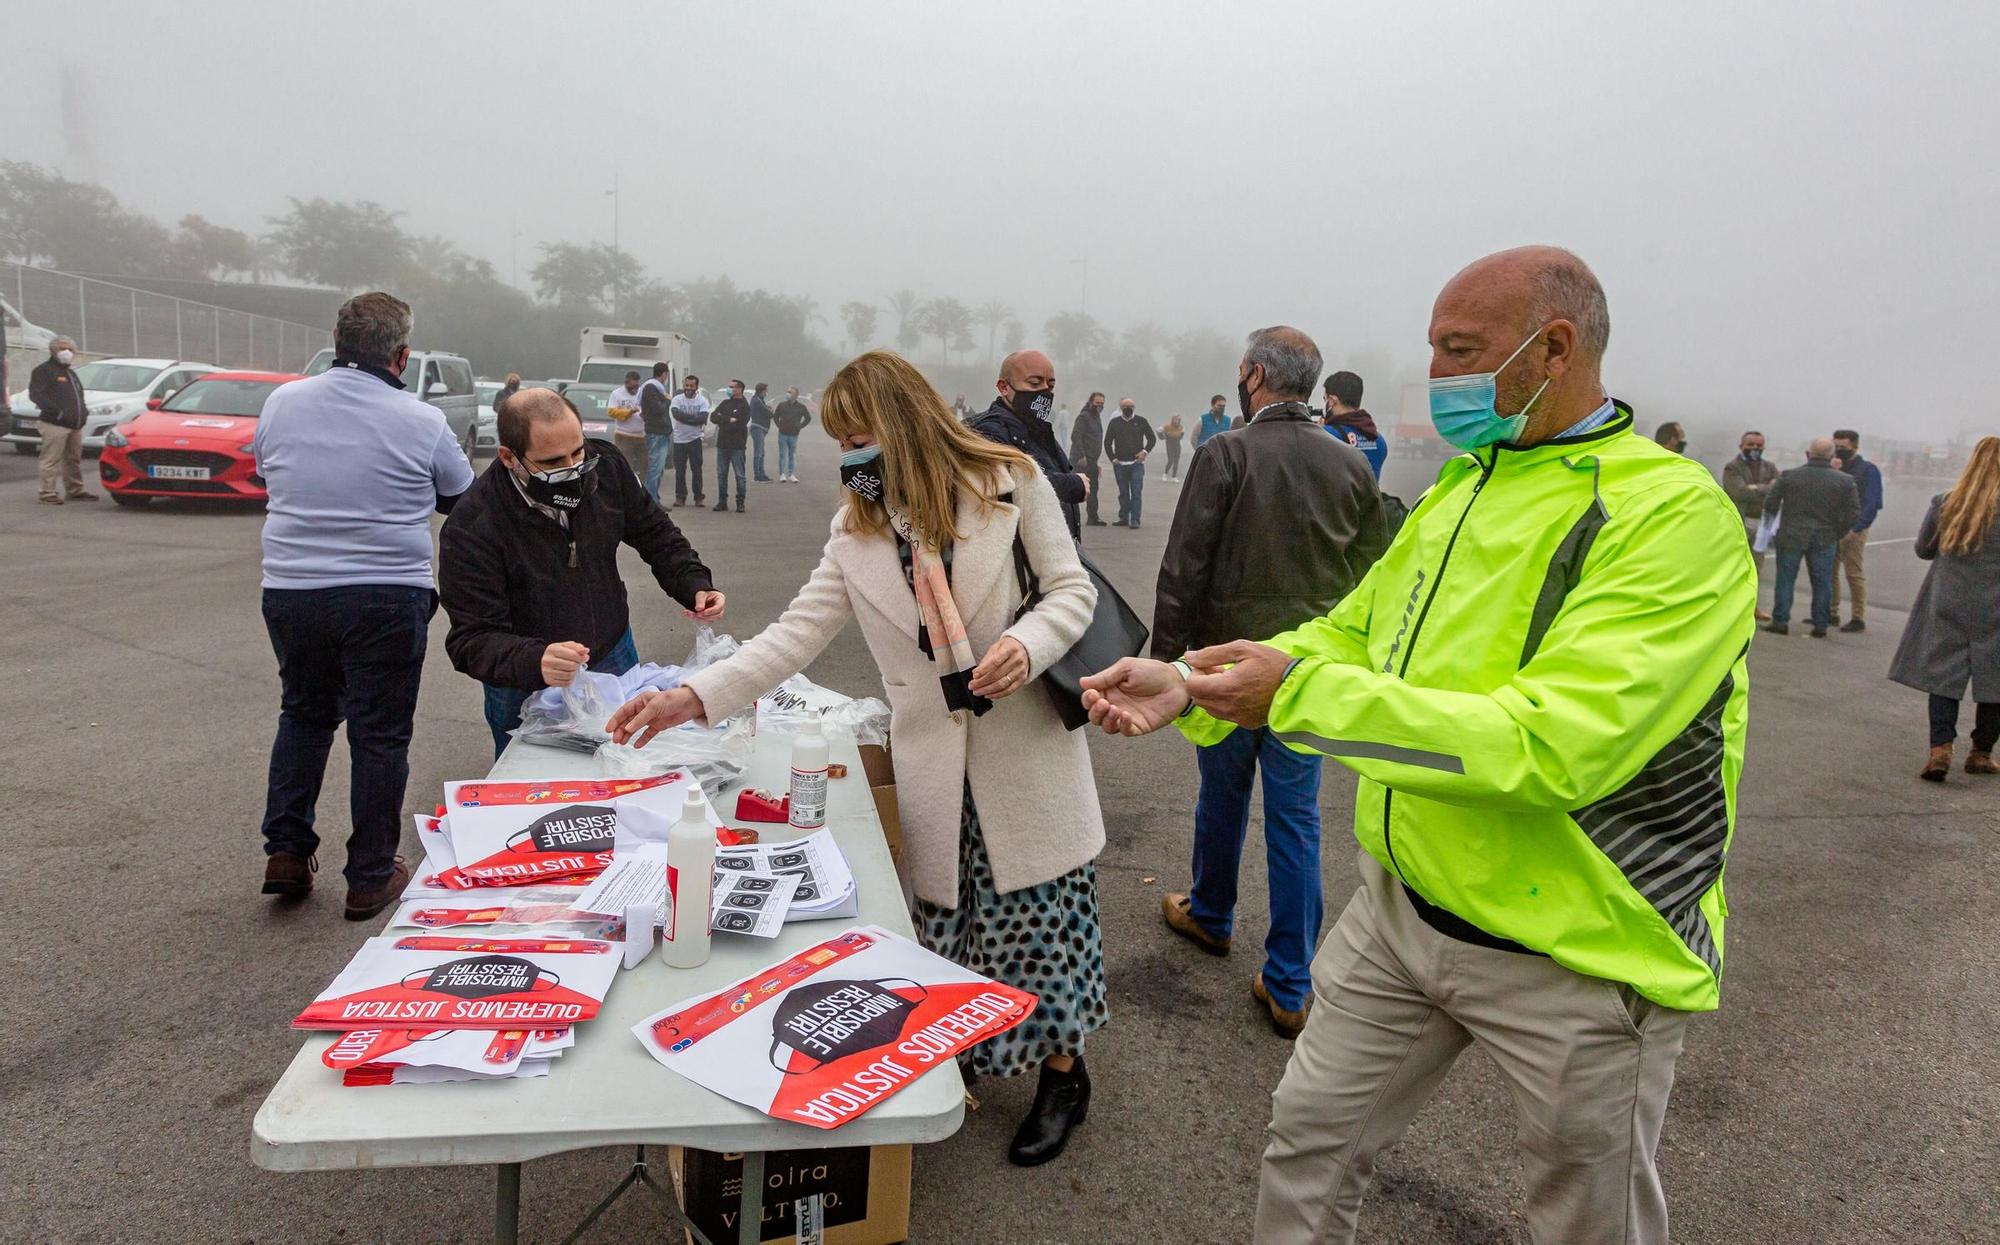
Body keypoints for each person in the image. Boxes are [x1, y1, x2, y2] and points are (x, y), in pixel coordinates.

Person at [1081, 247, 1754, 1245]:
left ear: (1554, 348)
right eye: (1433, 349)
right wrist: (1190, 682)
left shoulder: (1667, 515)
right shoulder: (1461, 487)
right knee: (1305, 1144)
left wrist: (1296, 694)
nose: (1437, 375)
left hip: (1576, 950)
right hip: (1404, 916)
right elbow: (1352, 632)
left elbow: (1552, 745)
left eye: (1460, 350)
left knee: (1583, 1220)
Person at [605, 350, 1107, 1167]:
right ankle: (967, 1055)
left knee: (1043, 919)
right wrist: (692, 697)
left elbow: (1071, 588)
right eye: (841, 441)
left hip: (1022, 750)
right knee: (949, 924)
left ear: (905, 422)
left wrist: (1025, 640)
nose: (849, 457)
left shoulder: (1010, 480)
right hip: (934, 761)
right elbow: (794, 634)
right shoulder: (858, 527)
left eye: (861, 435)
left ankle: (1062, 1072)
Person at [1151, 326, 1390, 1039]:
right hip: (1305, 672)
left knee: (1220, 798)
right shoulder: (1350, 463)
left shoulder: (1226, 452)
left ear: (1254, 374)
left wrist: (1168, 665)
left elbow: (1184, 565)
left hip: (1228, 667)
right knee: (1296, 818)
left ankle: (1212, 913)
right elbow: (1373, 572)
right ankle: (1290, 982)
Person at [252, 291, 476, 918]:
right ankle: (371, 873)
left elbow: (267, 472)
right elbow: (462, 501)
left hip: (292, 589)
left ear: (337, 339)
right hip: (386, 592)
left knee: (303, 714)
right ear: (402, 355)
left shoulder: (283, 402)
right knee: (380, 734)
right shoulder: (421, 420)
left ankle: (287, 853)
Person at [439, 388, 724, 756]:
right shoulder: (473, 525)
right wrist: (534, 659)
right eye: (553, 462)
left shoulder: (605, 465)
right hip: (525, 682)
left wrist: (694, 582)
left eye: (578, 451)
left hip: (612, 650)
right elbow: (470, 640)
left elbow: (654, 532)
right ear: (509, 458)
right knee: (532, 789)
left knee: (626, 766)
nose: (573, 468)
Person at [1889, 436, 2000, 781]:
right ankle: (1981, 753)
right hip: (1996, 604)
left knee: (1943, 676)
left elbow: (1924, 549)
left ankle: (1940, 750)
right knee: (1995, 677)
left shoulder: (1946, 503)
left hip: (1948, 599)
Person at [970, 349, 1090, 541]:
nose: (1044, 391)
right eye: (1034, 383)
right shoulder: (987, 431)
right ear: (1004, 387)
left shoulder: (1038, 429)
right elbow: (1004, 487)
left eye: (1050, 385)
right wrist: (1069, 485)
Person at [1762, 437, 1860, 637]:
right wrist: (1837, 531)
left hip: (1791, 534)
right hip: (1825, 536)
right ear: (1832, 456)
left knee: (1785, 579)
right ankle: (1820, 624)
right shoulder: (1845, 481)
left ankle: (1780, 620)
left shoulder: (1789, 476)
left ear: (1808, 454)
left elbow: (1770, 503)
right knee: (1823, 581)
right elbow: (1853, 513)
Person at [28, 336, 94, 504]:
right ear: (52, 350)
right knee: (50, 459)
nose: (67, 352)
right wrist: (57, 412)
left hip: (74, 425)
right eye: (62, 348)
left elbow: (79, 397)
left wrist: (83, 413)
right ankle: (47, 493)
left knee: (73, 459)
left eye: (70, 349)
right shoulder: (43, 370)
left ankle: (75, 489)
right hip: (54, 424)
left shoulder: (71, 373)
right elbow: (36, 394)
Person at [1830, 428, 1884, 632]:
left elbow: (1873, 502)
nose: (1838, 450)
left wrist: (1858, 527)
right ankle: (1831, 611)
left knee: (1853, 573)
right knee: (1830, 572)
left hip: (1854, 528)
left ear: (1855, 446)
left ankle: (1857, 617)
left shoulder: (1867, 470)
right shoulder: (1833, 466)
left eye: (1843, 447)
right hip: (1833, 526)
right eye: (1836, 446)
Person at [1722, 431, 1780, 620]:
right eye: (1751, 444)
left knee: (1756, 567)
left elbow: (1778, 489)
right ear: (1741, 446)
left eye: (1759, 445)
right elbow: (1739, 492)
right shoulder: (1732, 467)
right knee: (1735, 566)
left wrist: (1757, 488)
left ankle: (1752, 607)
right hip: (1741, 521)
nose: (1755, 448)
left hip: (1762, 523)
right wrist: (1765, 488)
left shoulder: (1770, 467)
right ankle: (1728, 606)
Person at [1320, 370, 1387, 480]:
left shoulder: (1325, 436)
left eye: (1325, 399)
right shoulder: (1379, 440)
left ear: (1331, 401)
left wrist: (1318, 430)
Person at [1104, 397, 1157, 528]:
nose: (1128, 409)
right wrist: (1112, 458)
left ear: (1134, 408)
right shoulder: (1114, 423)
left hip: (1136, 464)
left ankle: (1135, 519)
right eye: (1125, 406)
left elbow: (1152, 438)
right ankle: (1123, 518)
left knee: (1136, 491)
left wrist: (1145, 452)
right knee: (1123, 493)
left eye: (1130, 406)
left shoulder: (1141, 421)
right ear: (1120, 408)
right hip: (1120, 464)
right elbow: (1107, 442)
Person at [711, 379, 752, 512]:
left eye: (732, 387)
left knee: (740, 476)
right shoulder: (725, 403)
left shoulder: (745, 406)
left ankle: (740, 502)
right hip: (722, 444)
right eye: (729, 387)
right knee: (721, 474)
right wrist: (729, 419)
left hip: (737, 446)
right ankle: (722, 501)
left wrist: (724, 420)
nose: (730, 389)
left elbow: (740, 425)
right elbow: (713, 417)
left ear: (740, 389)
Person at [669, 374, 710, 506]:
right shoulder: (677, 399)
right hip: (679, 440)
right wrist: (693, 418)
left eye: (691, 386)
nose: (688, 388)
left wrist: (686, 418)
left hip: (695, 440)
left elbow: (702, 418)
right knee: (680, 471)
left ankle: (698, 497)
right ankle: (680, 497)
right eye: (687, 385)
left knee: (696, 470)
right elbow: (676, 415)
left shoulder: (702, 401)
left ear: (696, 387)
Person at [639, 362, 675, 505]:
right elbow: (658, 409)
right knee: (654, 469)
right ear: (664, 374)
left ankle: (655, 499)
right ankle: (650, 502)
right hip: (656, 433)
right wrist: (667, 400)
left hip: (663, 432)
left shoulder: (656, 388)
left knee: (659, 470)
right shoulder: (651, 388)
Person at [1069, 391, 1106, 527]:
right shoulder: (1084, 417)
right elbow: (1076, 436)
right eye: (1097, 403)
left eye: (1102, 404)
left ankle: (1093, 517)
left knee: (1093, 490)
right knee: (1076, 489)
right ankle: (1070, 517)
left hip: (1092, 461)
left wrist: (1096, 462)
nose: (1099, 406)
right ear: (1090, 402)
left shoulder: (1096, 417)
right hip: (1081, 460)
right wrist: (1082, 455)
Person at [607, 370, 649, 483]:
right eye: (633, 386)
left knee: (645, 465)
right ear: (626, 382)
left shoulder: (642, 392)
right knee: (626, 465)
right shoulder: (617, 394)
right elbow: (611, 412)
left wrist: (646, 415)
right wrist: (629, 412)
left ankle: (642, 488)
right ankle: (628, 488)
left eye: (637, 385)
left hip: (642, 436)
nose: (635, 389)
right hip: (624, 435)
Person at [773, 385, 812, 482]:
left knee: (792, 454)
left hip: (794, 434)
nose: (788, 394)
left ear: (796, 395)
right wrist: (779, 425)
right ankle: (782, 474)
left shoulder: (801, 407)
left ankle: (791, 474)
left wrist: (800, 426)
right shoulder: (782, 405)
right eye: (788, 392)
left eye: (790, 392)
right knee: (782, 454)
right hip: (782, 433)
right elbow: (775, 416)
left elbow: (808, 418)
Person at [749, 381, 776, 482]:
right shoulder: (757, 400)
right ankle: (758, 475)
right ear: (762, 391)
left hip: (761, 429)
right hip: (758, 428)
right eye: (766, 391)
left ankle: (762, 474)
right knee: (758, 453)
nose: (766, 393)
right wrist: (771, 411)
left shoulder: (759, 400)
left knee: (762, 453)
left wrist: (769, 410)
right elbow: (768, 413)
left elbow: (766, 409)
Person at [1160, 414, 1185, 480]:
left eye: (1178, 420)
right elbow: (1159, 431)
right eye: (1175, 419)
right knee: (1170, 460)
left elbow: (1181, 436)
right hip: (1169, 444)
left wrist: (1181, 435)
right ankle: (1165, 474)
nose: (1176, 421)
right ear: (1172, 420)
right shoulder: (1167, 426)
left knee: (1176, 461)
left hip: (1177, 444)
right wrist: (1163, 436)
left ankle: (1174, 477)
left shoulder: (1181, 427)